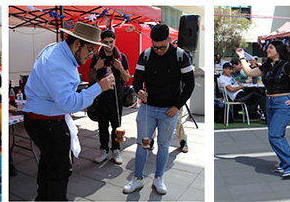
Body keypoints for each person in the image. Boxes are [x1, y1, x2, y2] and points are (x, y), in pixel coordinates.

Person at [24, 21, 114, 201]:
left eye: (94, 51)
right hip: (47, 122)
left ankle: (42, 198)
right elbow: (68, 104)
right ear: (77, 44)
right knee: (60, 171)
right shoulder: (59, 62)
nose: (91, 55)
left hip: (41, 118)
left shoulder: (56, 50)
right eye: (90, 50)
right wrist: (99, 87)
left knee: (48, 164)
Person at [122, 24, 195, 195]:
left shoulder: (181, 56)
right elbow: (137, 79)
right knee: (142, 144)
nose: (158, 50)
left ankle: (158, 178)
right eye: (155, 46)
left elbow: (189, 84)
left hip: (168, 110)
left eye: (162, 47)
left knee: (164, 146)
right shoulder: (146, 55)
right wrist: (139, 89)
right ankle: (137, 179)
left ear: (169, 40)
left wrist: (177, 106)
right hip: (147, 108)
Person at [238, 42, 290, 178]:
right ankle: (284, 164)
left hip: (283, 103)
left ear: (278, 50)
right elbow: (249, 72)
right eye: (268, 47)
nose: (267, 50)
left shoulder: (286, 66)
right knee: (276, 136)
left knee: (274, 135)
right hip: (269, 102)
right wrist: (241, 56)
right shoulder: (267, 66)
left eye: (271, 47)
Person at [88, 29, 130, 165]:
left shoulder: (121, 57)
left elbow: (127, 77)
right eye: (105, 42)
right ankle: (104, 150)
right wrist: (96, 67)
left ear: (115, 41)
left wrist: (120, 68)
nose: (109, 45)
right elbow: (90, 77)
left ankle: (116, 150)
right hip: (101, 97)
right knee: (102, 126)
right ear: (101, 42)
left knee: (117, 126)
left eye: (111, 42)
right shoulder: (97, 57)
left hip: (116, 97)